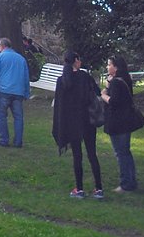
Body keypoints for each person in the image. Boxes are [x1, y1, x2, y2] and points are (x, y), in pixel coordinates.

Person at [52, 51, 103, 199]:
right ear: (76, 60)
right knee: (92, 154)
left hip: (72, 122)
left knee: (77, 155)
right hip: (87, 120)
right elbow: (96, 93)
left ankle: (79, 189)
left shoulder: (62, 81)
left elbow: (59, 105)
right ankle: (98, 188)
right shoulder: (85, 77)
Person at [101, 55, 139, 192]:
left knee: (121, 153)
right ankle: (131, 181)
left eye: (109, 64)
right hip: (125, 121)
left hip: (118, 122)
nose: (107, 67)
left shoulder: (117, 82)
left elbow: (114, 101)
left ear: (116, 67)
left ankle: (126, 184)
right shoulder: (124, 80)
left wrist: (104, 94)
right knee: (125, 152)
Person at [0, 37, 30, 147]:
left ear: (1, 46)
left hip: (3, 91)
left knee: (2, 116)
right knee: (18, 117)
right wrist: (26, 92)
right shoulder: (21, 59)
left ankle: (4, 139)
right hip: (18, 91)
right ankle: (18, 141)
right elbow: (26, 77)